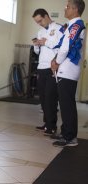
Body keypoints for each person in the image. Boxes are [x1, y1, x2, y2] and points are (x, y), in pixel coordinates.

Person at [51, 0, 85, 147]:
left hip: (68, 69)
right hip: (66, 68)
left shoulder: (76, 25)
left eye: (68, 7)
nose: (65, 9)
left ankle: (70, 137)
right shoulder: (72, 25)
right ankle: (66, 132)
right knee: (65, 103)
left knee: (67, 104)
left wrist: (56, 62)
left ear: (75, 9)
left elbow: (66, 48)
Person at [32, 9, 63, 135]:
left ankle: (52, 126)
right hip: (41, 67)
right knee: (43, 98)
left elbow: (62, 46)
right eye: (37, 22)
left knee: (51, 97)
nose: (39, 23)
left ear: (46, 16)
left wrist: (46, 42)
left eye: (40, 20)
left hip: (52, 67)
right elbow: (37, 52)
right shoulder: (40, 31)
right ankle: (46, 123)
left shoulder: (59, 28)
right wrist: (36, 45)